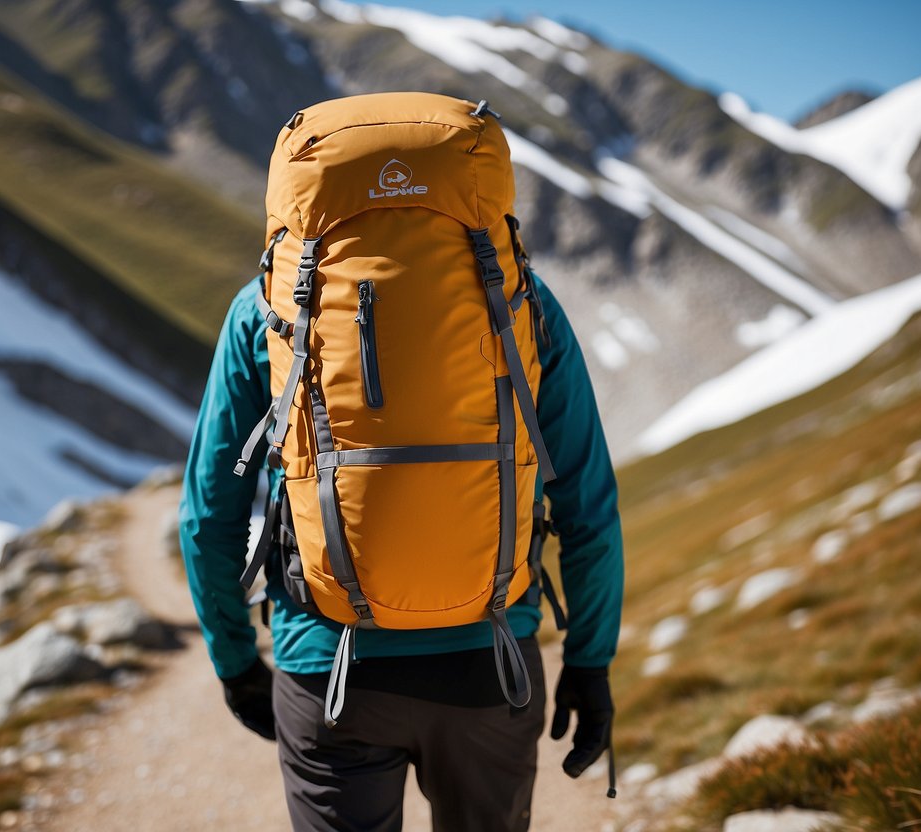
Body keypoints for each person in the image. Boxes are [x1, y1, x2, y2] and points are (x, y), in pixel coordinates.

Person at [179, 257, 624, 830]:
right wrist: (590, 661)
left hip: (327, 666)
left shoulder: (265, 304)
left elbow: (207, 518)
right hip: (490, 661)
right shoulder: (519, 295)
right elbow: (587, 506)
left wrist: (236, 663)